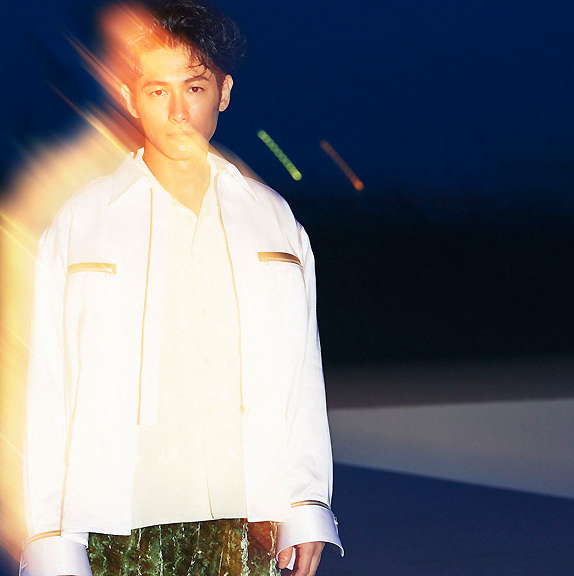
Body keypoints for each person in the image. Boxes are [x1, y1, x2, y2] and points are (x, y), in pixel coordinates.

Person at [19, 1, 342, 574]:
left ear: (224, 91)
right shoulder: (84, 221)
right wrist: (51, 540)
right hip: (119, 524)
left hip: (249, 520)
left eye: (193, 88)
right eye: (157, 91)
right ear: (130, 98)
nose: (176, 112)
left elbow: (300, 370)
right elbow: (50, 385)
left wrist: (307, 504)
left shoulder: (271, 219)